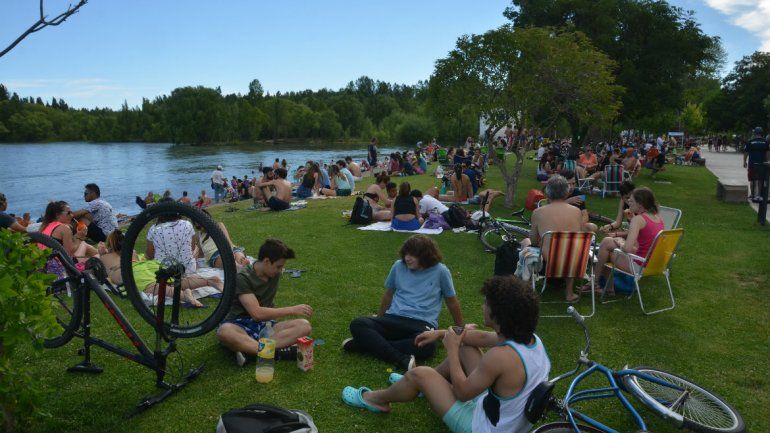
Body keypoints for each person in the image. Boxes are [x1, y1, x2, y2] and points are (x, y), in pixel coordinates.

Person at [342, 275, 549, 433]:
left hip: (484, 428)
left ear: (499, 315)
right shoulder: (530, 340)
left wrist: (451, 348)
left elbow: (462, 393)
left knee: (420, 373)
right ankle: (425, 388)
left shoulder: (500, 357)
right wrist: (440, 333)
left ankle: (376, 399)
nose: (483, 306)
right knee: (465, 346)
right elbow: (483, 339)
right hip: (506, 418)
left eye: (487, 303)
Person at [343, 235, 464, 371]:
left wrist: (461, 330)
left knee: (427, 347)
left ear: (426, 255)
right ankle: (401, 359)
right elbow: (388, 295)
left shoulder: (441, 271)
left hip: (421, 323)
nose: (407, 258)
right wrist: (380, 317)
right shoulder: (398, 266)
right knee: (358, 324)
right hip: (393, 318)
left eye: (413, 254)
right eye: (406, 253)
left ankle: (365, 345)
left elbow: (452, 302)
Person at [216, 239, 312, 366]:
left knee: (304, 326)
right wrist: (292, 309)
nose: (281, 270)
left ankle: (251, 351)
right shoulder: (243, 278)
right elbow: (256, 313)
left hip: (265, 326)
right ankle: (277, 353)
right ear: (266, 261)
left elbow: (261, 318)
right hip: (239, 324)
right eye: (278, 266)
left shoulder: (273, 273)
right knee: (224, 332)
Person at [98, 229, 221, 307]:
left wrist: (101, 252)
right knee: (169, 281)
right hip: (149, 265)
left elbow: (95, 265)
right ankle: (209, 281)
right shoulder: (133, 252)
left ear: (110, 246)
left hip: (133, 272)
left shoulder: (106, 257)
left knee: (153, 287)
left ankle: (183, 296)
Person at [587, 187, 664, 296]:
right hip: (654, 264)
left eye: (631, 201)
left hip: (640, 265)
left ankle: (595, 284)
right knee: (607, 242)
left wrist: (620, 241)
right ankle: (604, 288)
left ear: (640, 204)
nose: (628, 202)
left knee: (606, 249)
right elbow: (643, 246)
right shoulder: (658, 219)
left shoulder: (638, 220)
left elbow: (627, 249)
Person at [524, 176, 585, 302]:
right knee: (570, 249)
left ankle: (528, 287)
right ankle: (569, 293)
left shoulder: (538, 212)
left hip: (548, 264)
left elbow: (534, 241)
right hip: (573, 264)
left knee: (525, 243)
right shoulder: (576, 212)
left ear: (547, 192)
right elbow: (581, 236)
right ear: (567, 192)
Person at [146, 198, 196, 274]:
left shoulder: (153, 229)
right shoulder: (187, 224)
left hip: (164, 274)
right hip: (189, 270)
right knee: (195, 249)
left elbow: (150, 255)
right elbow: (192, 248)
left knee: (146, 257)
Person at [743, 127, 770, 202]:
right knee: (760, 179)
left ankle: (752, 195)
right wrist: (767, 161)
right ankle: (759, 195)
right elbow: (768, 153)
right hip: (762, 164)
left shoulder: (750, 142)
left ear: (755, 133)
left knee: (752, 180)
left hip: (752, 164)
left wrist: (744, 162)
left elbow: (746, 152)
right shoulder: (765, 142)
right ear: (761, 133)